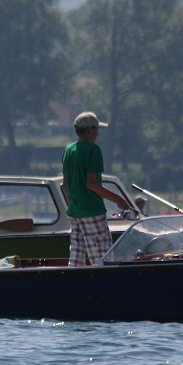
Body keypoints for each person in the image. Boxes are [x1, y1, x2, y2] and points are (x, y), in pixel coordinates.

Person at [61, 111, 132, 266]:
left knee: (76, 260)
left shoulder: (68, 150)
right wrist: (119, 200)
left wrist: (75, 207)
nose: (98, 134)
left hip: (74, 213)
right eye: (96, 129)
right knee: (102, 260)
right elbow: (92, 184)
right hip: (92, 212)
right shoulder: (93, 150)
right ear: (88, 130)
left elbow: (65, 187)